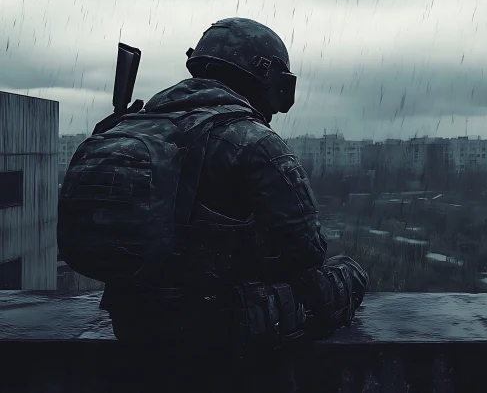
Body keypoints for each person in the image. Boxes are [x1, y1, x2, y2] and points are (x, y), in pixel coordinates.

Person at [57, 18, 368, 355]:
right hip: (215, 327)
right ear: (265, 77)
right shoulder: (254, 140)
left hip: (131, 319)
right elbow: (307, 252)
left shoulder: (133, 124)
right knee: (346, 274)